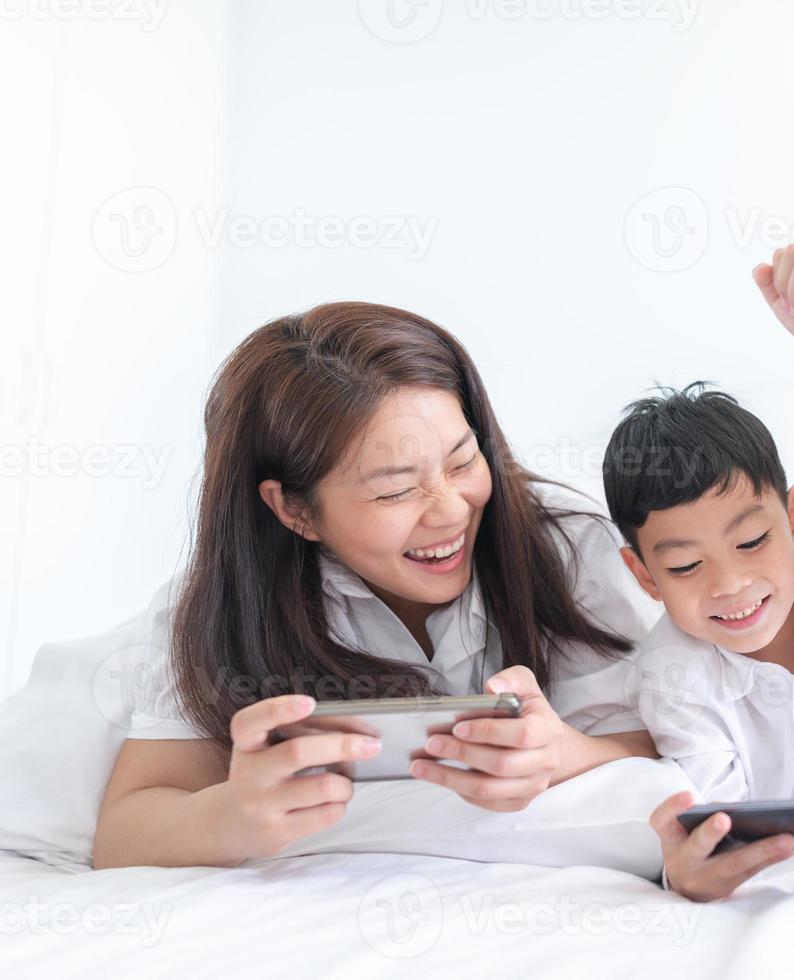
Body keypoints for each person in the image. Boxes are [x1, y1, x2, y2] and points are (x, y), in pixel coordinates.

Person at [93, 302, 660, 869]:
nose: (448, 512)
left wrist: (561, 753)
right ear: (294, 509)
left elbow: (662, 751)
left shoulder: (568, 545)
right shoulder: (221, 607)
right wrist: (231, 819)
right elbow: (124, 834)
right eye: (394, 491)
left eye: (462, 462)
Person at [603, 245, 794, 902]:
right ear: (644, 576)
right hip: (785, 884)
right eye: (685, 565)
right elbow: (717, 819)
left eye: (750, 541)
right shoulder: (672, 675)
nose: (728, 584)